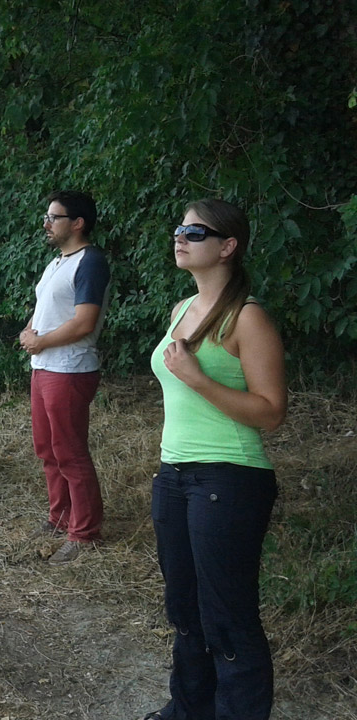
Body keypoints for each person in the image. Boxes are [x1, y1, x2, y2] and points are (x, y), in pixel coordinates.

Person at [144, 199, 286, 720]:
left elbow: (271, 412)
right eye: (179, 228)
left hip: (230, 477)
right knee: (184, 608)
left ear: (227, 246)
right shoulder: (180, 310)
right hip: (174, 474)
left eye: (195, 232)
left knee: (228, 615)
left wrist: (199, 379)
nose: (180, 237)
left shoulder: (248, 317)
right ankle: (188, 709)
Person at [19, 190, 110, 564]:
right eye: (46, 217)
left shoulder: (91, 262)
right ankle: (60, 517)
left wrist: (41, 341)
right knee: (47, 448)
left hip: (69, 369)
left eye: (53, 217)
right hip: (44, 368)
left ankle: (84, 533)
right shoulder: (58, 262)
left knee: (70, 452)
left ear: (78, 223)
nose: (46, 224)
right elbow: (45, 308)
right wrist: (30, 331)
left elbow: (84, 322)